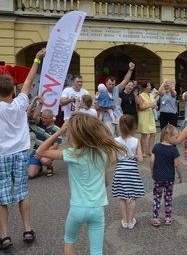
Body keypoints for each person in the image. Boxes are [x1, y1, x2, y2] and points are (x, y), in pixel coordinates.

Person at [36, 113, 127, 254]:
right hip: (97, 208)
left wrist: (59, 131)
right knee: (96, 250)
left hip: (78, 208)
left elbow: (41, 151)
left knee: (69, 240)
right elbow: (107, 182)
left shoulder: (72, 153)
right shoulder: (102, 152)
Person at [0, 48, 45, 250]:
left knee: (1, 198)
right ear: (13, 91)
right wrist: (37, 58)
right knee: (22, 193)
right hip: (20, 153)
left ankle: (5, 237)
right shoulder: (20, 103)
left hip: (1, 155)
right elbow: (28, 81)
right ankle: (27, 229)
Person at [112, 115, 144, 229]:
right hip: (132, 171)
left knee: (122, 197)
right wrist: (134, 155)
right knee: (133, 197)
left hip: (120, 171)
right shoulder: (136, 141)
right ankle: (131, 221)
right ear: (133, 127)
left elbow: (113, 159)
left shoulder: (115, 141)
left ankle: (125, 220)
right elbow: (140, 159)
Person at [150, 125, 183, 226]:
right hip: (169, 178)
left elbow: (152, 161)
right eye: (176, 137)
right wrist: (180, 176)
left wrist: (152, 171)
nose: (177, 140)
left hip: (158, 176)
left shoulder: (156, 147)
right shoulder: (174, 150)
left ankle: (155, 218)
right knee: (168, 197)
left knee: (157, 197)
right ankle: (168, 217)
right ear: (169, 137)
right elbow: (177, 165)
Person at [95, 62, 135, 136]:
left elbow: (125, 80)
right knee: (109, 138)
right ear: (106, 83)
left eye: (113, 84)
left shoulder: (116, 89)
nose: (111, 86)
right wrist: (108, 107)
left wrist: (130, 69)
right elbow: (96, 107)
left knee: (123, 137)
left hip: (119, 116)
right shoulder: (101, 92)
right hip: (107, 118)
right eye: (109, 84)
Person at [28, 96, 61, 178]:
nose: (43, 119)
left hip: (47, 152)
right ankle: (38, 167)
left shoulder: (56, 129)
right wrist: (40, 104)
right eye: (42, 117)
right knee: (30, 175)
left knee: (44, 160)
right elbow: (35, 116)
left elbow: (55, 146)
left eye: (45, 118)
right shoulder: (40, 123)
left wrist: (41, 152)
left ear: (51, 119)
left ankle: (49, 166)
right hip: (36, 152)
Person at [137, 81, 157, 157]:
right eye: (148, 86)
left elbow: (152, 104)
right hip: (144, 115)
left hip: (150, 115)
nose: (150, 87)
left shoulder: (151, 95)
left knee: (153, 133)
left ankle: (150, 150)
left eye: (150, 85)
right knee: (144, 134)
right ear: (145, 87)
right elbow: (140, 107)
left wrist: (154, 106)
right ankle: (143, 151)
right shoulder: (141, 96)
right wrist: (150, 106)